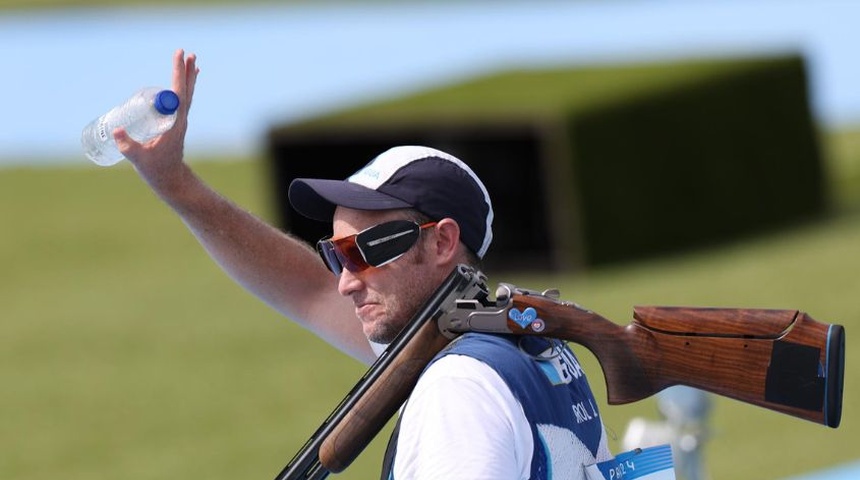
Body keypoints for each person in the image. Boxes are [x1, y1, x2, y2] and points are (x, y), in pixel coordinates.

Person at [115, 49, 613, 479]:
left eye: (367, 252)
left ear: (441, 244)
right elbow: (305, 288)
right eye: (335, 255)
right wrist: (177, 186)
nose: (345, 283)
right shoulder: (519, 346)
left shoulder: (457, 387)